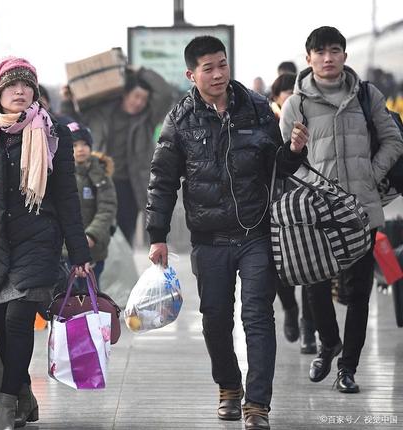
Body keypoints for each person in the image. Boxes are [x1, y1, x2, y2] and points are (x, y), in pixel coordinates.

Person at [147, 36, 308, 430]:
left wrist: (294, 151)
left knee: (258, 317)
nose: (218, 74)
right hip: (210, 239)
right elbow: (162, 180)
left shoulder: (257, 107)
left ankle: (258, 404)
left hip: (256, 233)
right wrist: (157, 234)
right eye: (209, 68)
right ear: (192, 74)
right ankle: (230, 387)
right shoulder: (180, 120)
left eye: (222, 64)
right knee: (215, 320)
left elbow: (277, 167)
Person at [0, 56, 91, 430]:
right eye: (11, 86)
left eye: (26, 85)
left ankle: (5, 404)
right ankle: (23, 396)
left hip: (38, 240)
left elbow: (67, 195)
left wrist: (79, 252)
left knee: (19, 319)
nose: (20, 91)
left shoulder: (53, 133)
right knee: (2, 328)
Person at [280, 26, 403, 393]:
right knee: (315, 285)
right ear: (309, 59)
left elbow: (394, 140)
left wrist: (371, 176)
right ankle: (329, 343)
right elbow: (286, 163)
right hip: (318, 213)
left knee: (359, 292)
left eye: (334, 50)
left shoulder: (366, 95)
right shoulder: (296, 104)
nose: (328, 58)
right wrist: (299, 158)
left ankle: (347, 368)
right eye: (320, 52)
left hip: (362, 209)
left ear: (345, 56)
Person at [61, 66, 174, 245]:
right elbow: (71, 121)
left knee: (124, 237)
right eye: (136, 96)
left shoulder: (147, 119)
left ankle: (122, 262)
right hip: (99, 180)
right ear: (125, 94)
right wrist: (67, 100)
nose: (139, 102)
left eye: (144, 99)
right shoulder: (100, 113)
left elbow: (165, 94)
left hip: (129, 186)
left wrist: (141, 71)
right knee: (95, 230)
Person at [268, 72, 318, 353]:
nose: (289, 95)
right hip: (279, 205)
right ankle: (289, 308)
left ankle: (309, 328)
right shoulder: (267, 121)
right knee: (282, 266)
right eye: (284, 91)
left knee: (312, 268)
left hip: (309, 202)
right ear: (276, 97)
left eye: (293, 90)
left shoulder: (311, 115)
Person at [66, 120, 117, 286]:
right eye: (74, 145)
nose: (80, 149)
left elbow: (107, 208)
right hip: (65, 250)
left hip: (93, 248)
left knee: (90, 291)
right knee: (68, 293)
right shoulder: (62, 175)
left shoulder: (101, 174)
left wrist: (92, 235)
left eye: (84, 144)